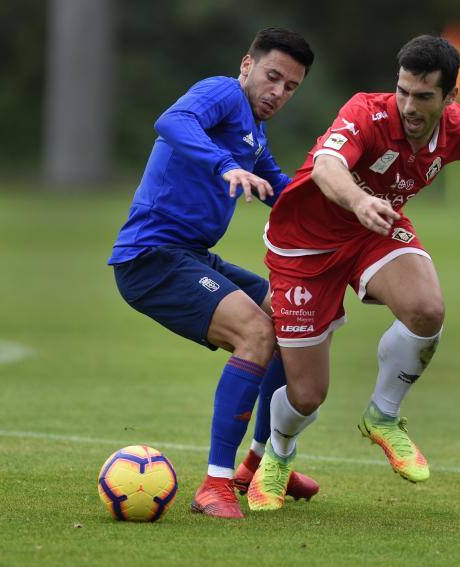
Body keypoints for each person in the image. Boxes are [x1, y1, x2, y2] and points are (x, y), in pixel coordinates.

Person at [244, 34, 460, 511]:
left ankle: (383, 417)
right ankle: (278, 456)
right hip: (305, 246)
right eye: (403, 90)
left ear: (449, 98)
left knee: (427, 310)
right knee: (307, 395)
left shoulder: (453, 127)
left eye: (423, 96)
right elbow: (326, 166)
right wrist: (360, 199)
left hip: (374, 229)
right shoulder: (367, 113)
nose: (408, 104)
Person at [108, 28, 320, 519]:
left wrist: (343, 197)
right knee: (257, 331)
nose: (278, 93)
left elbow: (282, 190)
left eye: (290, 87)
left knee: (291, 318)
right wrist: (226, 164)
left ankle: (261, 466)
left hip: (192, 255)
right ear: (247, 65)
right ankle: (214, 486)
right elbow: (173, 120)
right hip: (152, 258)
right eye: (272, 77)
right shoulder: (222, 92)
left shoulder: (254, 132)